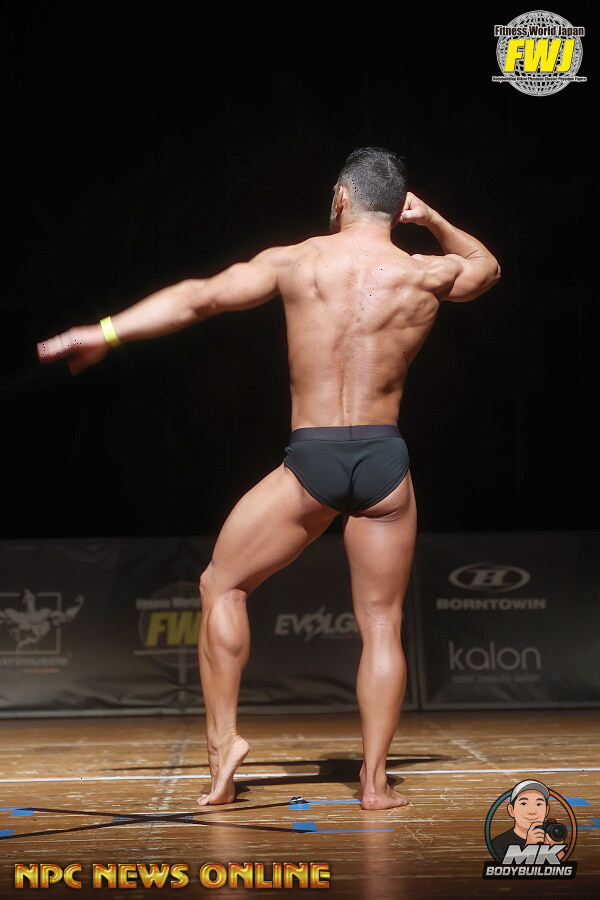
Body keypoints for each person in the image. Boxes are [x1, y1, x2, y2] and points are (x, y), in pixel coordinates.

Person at [37, 147, 501, 810]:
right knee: (381, 624)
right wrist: (430, 219)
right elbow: (487, 267)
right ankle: (374, 783)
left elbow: (199, 299)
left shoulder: (297, 262)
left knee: (221, 585)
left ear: (341, 197)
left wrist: (105, 332)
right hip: (384, 462)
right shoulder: (426, 273)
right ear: (399, 206)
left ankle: (223, 749)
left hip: (313, 460)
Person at [491, 780, 567, 861]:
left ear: (547, 810)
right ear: (511, 810)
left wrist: (557, 849)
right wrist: (529, 847)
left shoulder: (551, 837)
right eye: (523, 803)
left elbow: (567, 866)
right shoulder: (498, 844)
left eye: (539, 804)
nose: (532, 811)